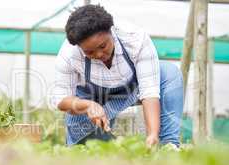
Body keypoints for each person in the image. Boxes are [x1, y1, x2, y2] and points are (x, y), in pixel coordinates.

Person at [50, 4, 183, 148]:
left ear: (111, 31)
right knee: (91, 149)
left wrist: (153, 134)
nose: (99, 55)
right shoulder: (69, 55)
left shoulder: (135, 39)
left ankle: (169, 145)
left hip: (130, 88)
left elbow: (150, 92)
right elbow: (61, 99)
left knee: (169, 73)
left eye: (103, 46)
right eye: (90, 52)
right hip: (90, 99)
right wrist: (87, 106)